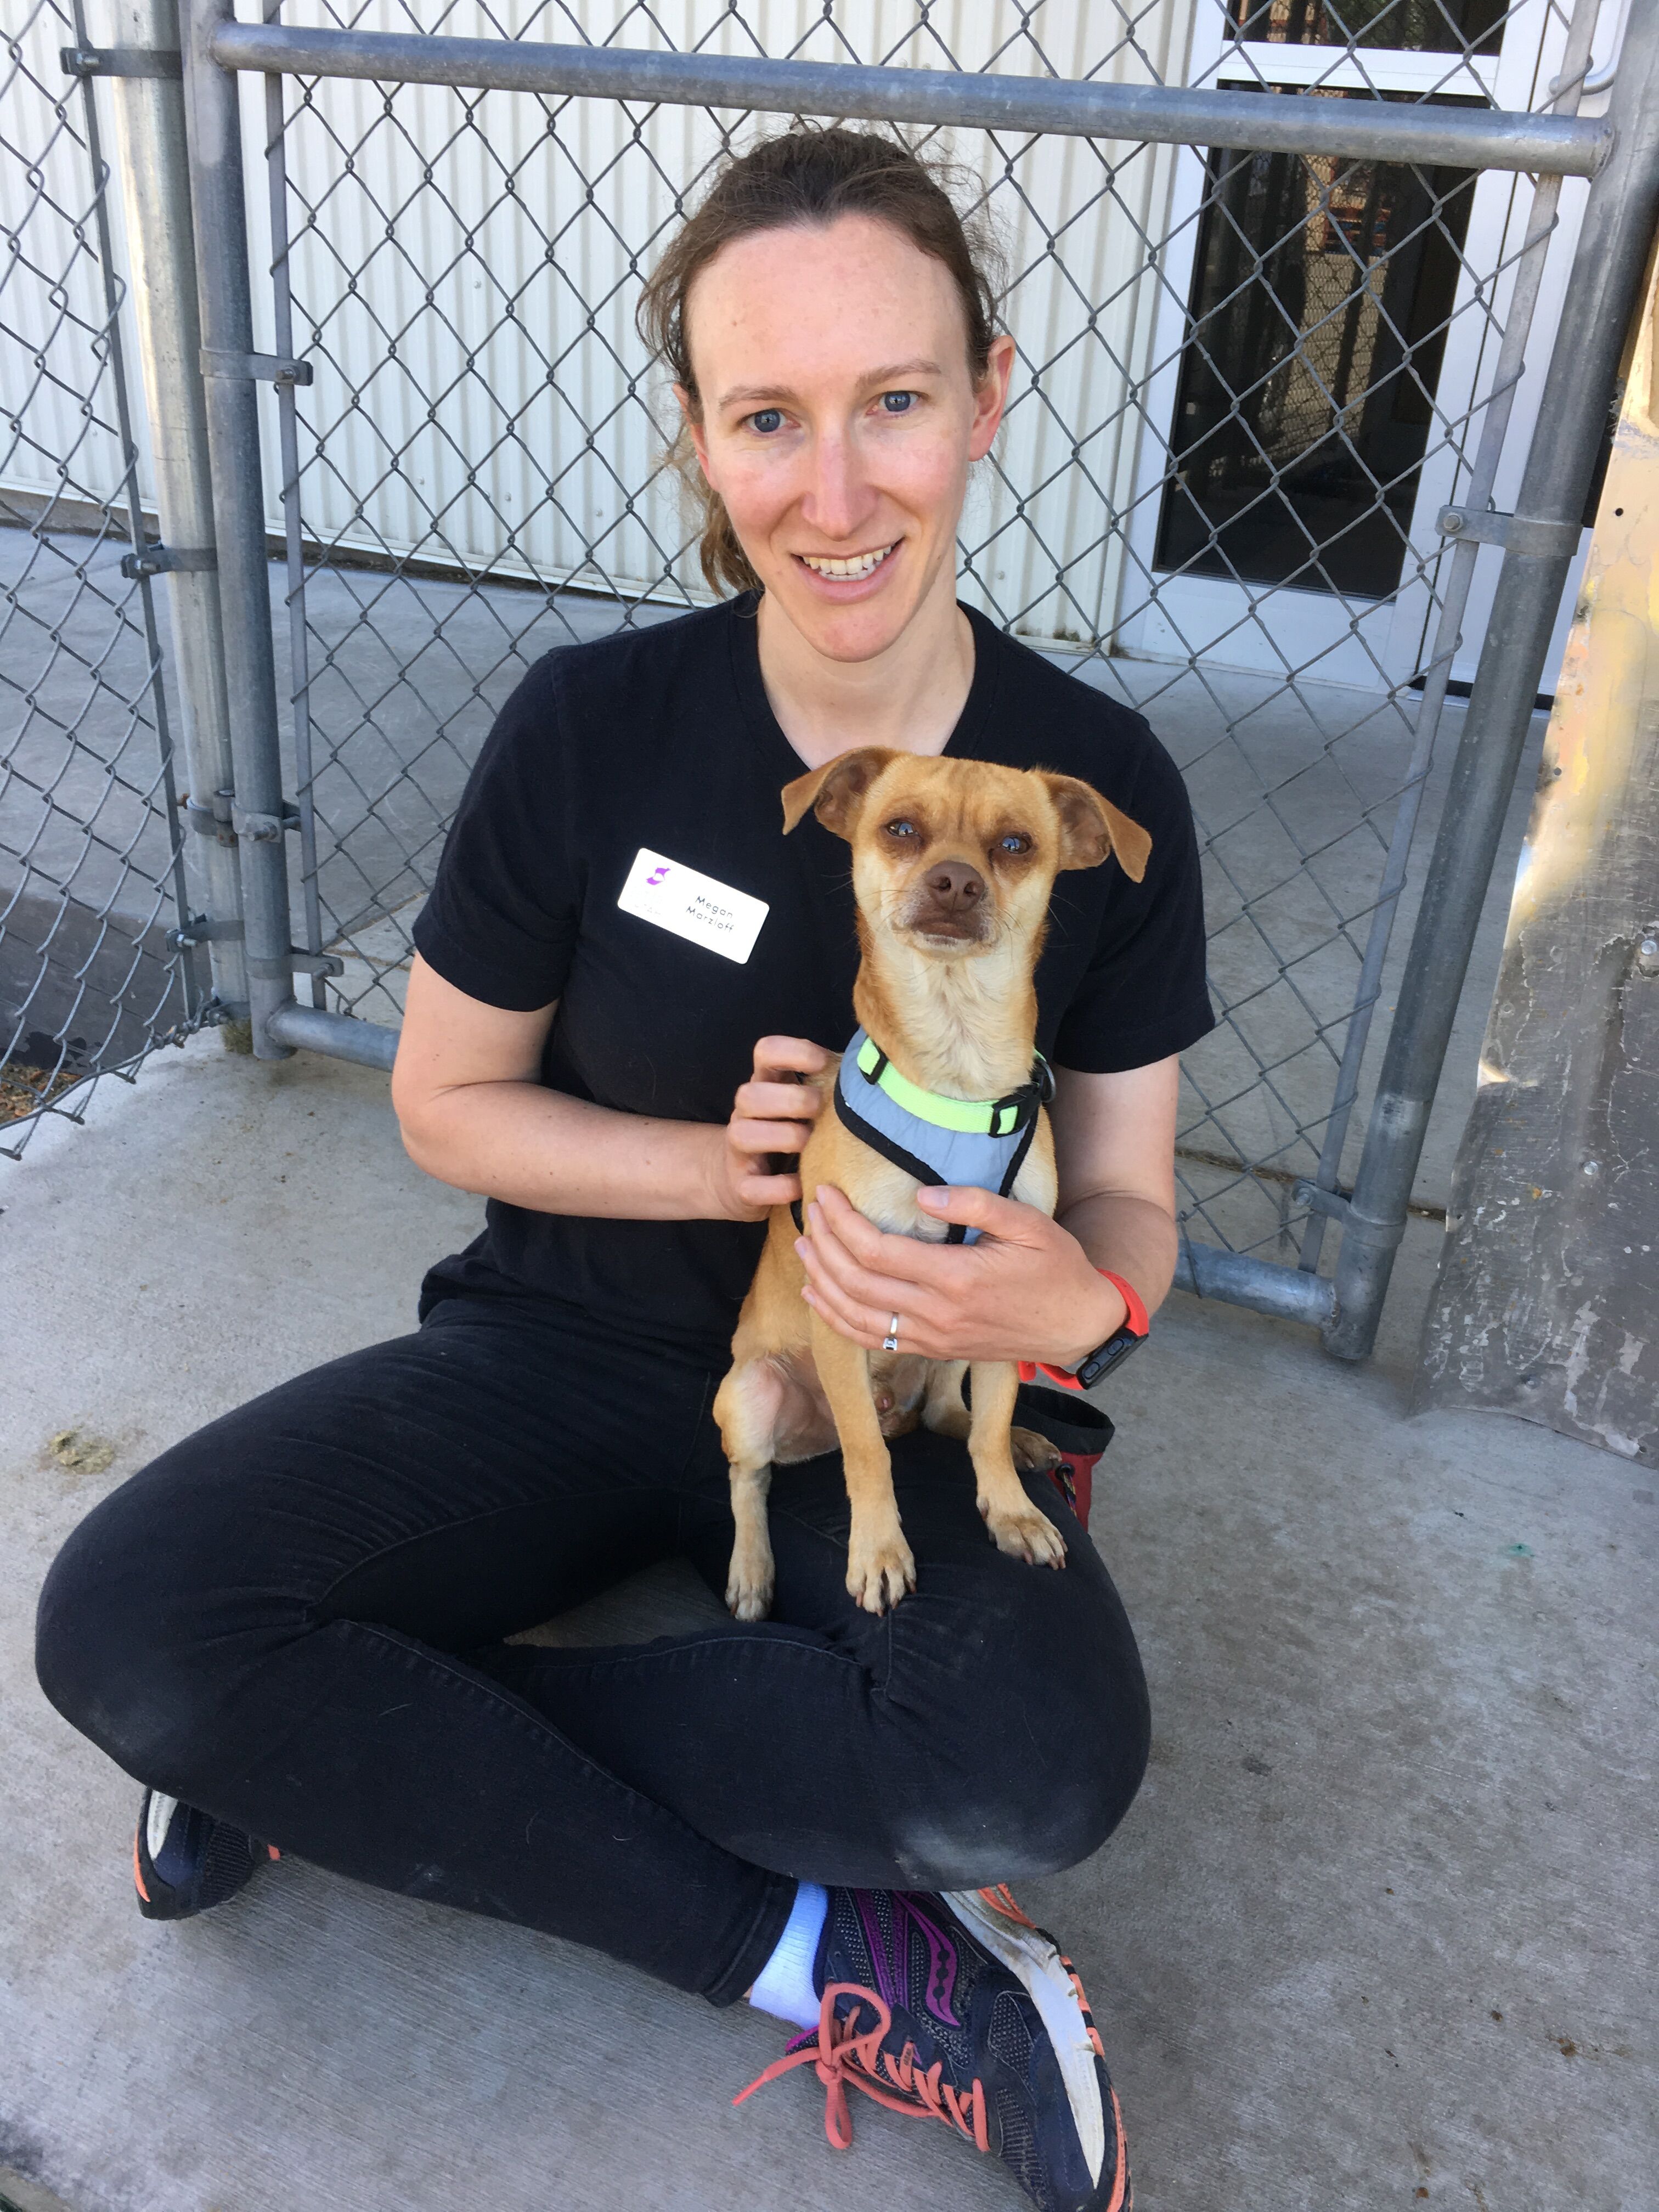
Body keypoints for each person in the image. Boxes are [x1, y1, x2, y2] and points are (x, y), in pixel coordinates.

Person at [36, 126, 1213, 2211]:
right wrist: (711, 1170)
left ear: (992, 397)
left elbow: (1132, 1200)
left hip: (919, 1404)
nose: (835, 494)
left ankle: (353, 1743)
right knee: (131, 1625)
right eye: (768, 417)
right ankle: (820, 1953)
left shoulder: (1095, 784)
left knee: (1035, 1767)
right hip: (560, 1356)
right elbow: (439, 1104)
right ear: (698, 433)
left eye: (897, 404)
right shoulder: (590, 723)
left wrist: (1087, 1299)